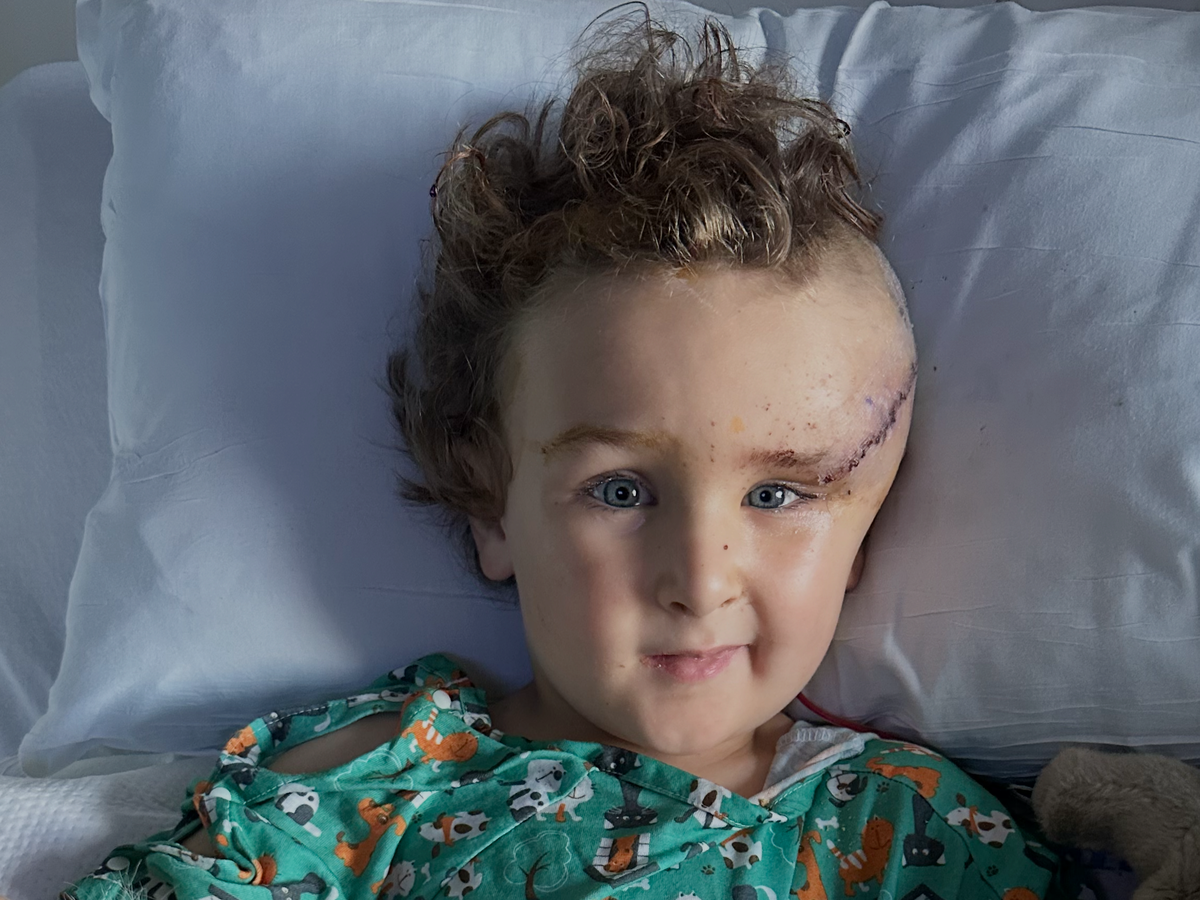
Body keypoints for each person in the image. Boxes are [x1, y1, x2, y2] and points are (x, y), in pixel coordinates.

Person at [64, 13, 1068, 900]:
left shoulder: (912, 834)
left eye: (776, 494)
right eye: (620, 490)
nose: (698, 580)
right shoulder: (381, 783)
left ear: (865, 530)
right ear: (491, 503)